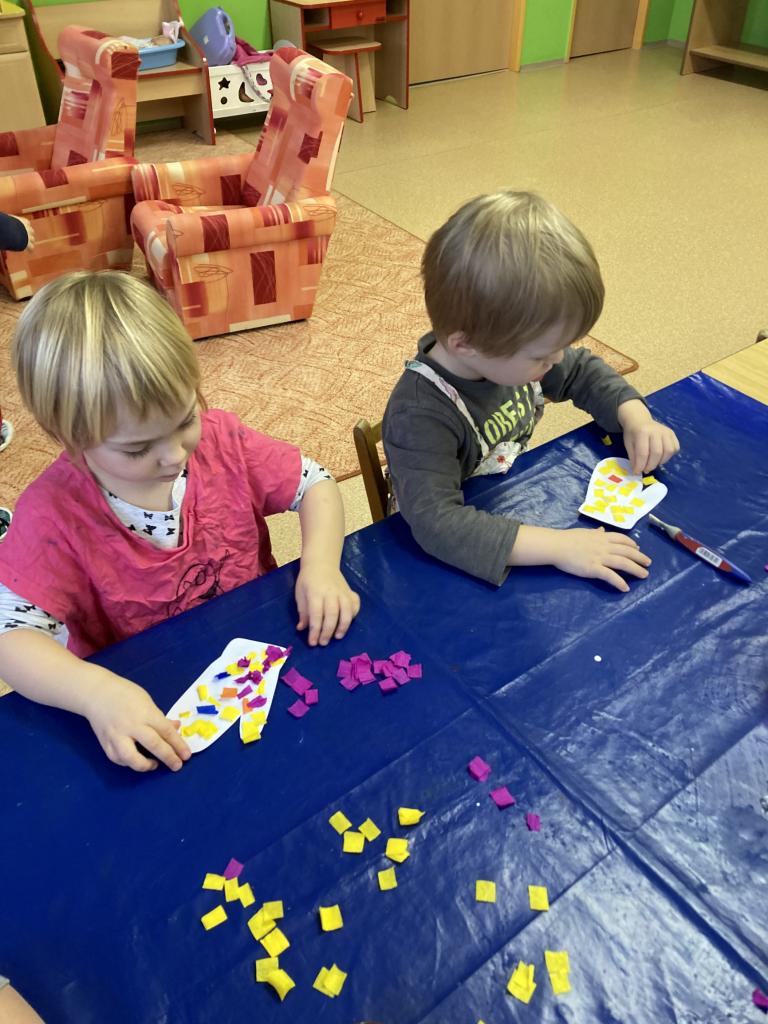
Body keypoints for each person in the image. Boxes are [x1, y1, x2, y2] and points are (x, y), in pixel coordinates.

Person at [0, 271, 360, 773]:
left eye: (185, 419)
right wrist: (95, 693)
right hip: (149, 696)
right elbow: (11, 637)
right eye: (137, 449)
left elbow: (314, 483)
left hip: (263, 649)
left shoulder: (222, 441)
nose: (174, 455)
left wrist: (321, 566)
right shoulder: (53, 515)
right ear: (69, 436)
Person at [382, 190, 680, 590]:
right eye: (542, 355)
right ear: (465, 345)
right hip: (454, 551)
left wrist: (635, 418)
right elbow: (440, 525)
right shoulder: (419, 417)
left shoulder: (505, 348)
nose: (557, 360)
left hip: (508, 497)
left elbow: (582, 372)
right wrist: (561, 547)